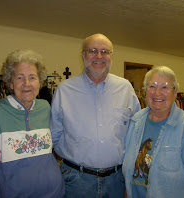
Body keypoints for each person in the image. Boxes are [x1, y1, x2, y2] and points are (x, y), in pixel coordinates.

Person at [50, 33, 141, 198]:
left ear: (111, 56)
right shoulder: (64, 91)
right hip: (76, 180)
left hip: (117, 181)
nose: (99, 56)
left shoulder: (126, 89)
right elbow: (54, 136)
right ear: (83, 55)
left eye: (105, 51)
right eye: (92, 50)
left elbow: (136, 131)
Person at [122, 66, 184, 198]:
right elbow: (129, 173)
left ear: (175, 92)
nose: (157, 92)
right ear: (145, 90)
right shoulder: (135, 122)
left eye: (165, 87)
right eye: (152, 86)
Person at [0, 49, 65, 198]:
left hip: (54, 193)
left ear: (40, 82)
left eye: (32, 77)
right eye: (20, 77)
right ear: (10, 82)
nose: (27, 84)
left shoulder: (45, 107)